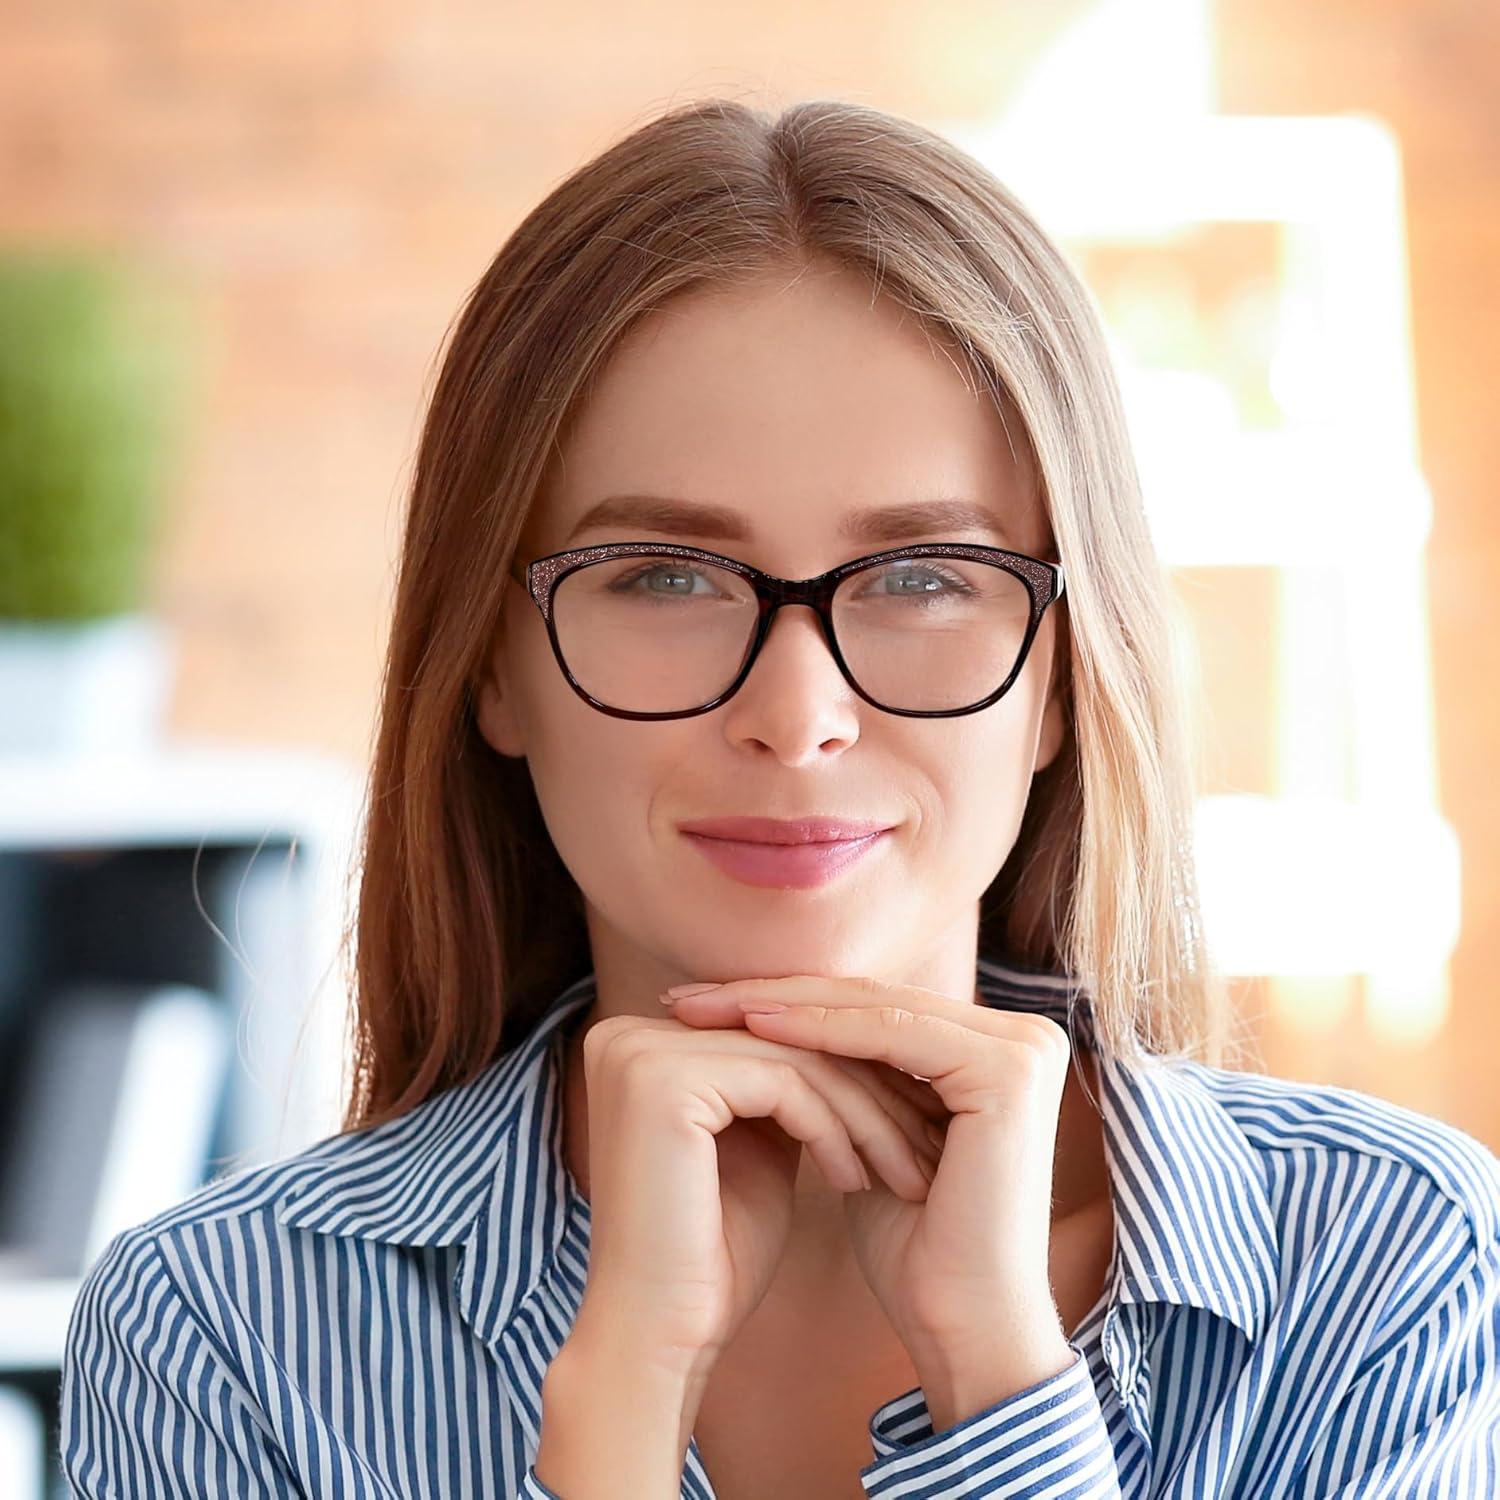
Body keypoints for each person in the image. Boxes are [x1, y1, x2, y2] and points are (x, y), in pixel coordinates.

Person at [59, 96, 1498, 1499]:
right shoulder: (224, 1330)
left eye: (928, 575)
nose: (796, 717)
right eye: (665, 577)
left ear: (1063, 673)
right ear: (491, 665)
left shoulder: (1387, 1258)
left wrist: (1000, 1380)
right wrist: (612, 1418)